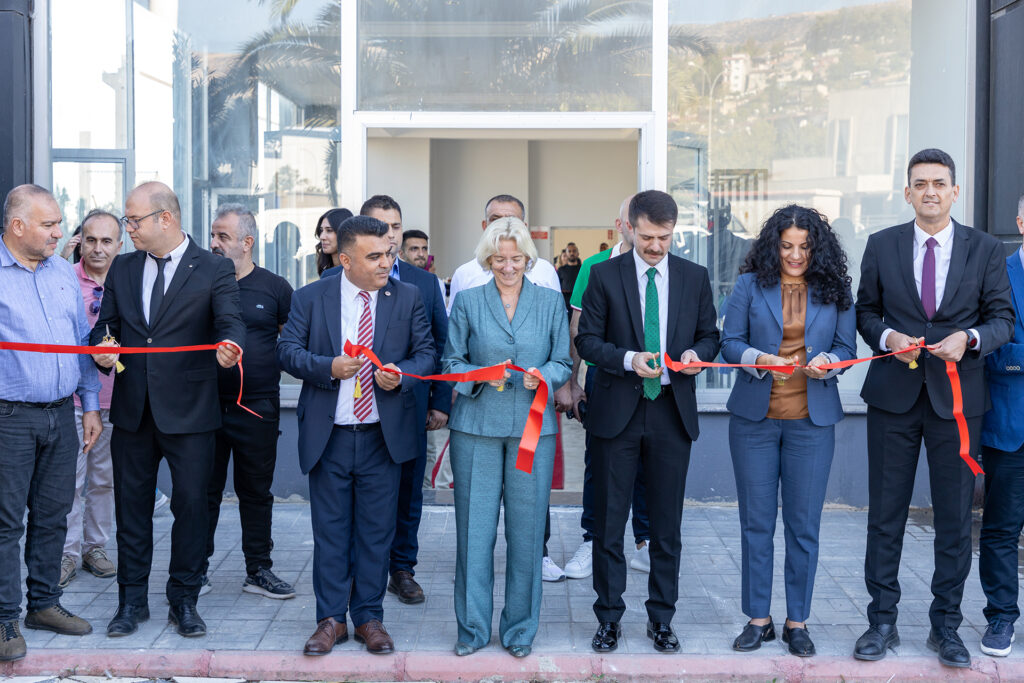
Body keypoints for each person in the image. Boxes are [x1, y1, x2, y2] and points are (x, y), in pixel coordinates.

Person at [854, 149, 1014, 668]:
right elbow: (865, 311)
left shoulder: (986, 249)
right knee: (886, 515)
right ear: (906, 192)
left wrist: (968, 339)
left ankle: (945, 625)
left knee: (953, 519)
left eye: (939, 183)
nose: (929, 191)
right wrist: (887, 334)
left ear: (954, 191)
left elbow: (1001, 320)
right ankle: (881, 622)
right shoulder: (882, 245)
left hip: (958, 403)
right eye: (920, 183)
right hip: (893, 399)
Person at [90, 181, 245, 639]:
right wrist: (101, 348)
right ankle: (131, 601)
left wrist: (231, 346)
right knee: (131, 511)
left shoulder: (214, 268)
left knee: (192, 508)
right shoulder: (122, 267)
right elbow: (105, 328)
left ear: (166, 219)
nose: (128, 228)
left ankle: (184, 599)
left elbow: (230, 322)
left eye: (133, 220)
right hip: (133, 412)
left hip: (192, 411)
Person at [277, 215, 434, 656]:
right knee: (330, 532)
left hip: (383, 437)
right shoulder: (312, 297)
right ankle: (330, 620)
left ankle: (368, 618)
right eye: (375, 256)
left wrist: (401, 375)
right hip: (330, 436)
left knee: (376, 532)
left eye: (389, 253)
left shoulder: (407, 297)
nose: (386, 262)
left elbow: (426, 353)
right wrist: (327, 367)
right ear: (344, 259)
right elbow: (286, 351)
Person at [576, 190, 720, 654]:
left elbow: (709, 335)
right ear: (629, 228)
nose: (656, 246)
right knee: (609, 524)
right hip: (616, 413)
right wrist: (627, 358)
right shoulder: (603, 275)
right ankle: (609, 617)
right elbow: (589, 343)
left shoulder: (695, 277)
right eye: (647, 236)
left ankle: (662, 618)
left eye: (664, 236)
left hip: (671, 415)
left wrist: (700, 355)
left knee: (665, 526)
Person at [720, 205, 857, 657]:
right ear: (772, 245)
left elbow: (845, 347)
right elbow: (729, 343)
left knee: (803, 526)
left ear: (816, 248)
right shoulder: (747, 285)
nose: (794, 255)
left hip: (811, 423)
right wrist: (759, 359)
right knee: (756, 524)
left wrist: (829, 365)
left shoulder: (836, 290)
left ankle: (797, 621)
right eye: (786, 246)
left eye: (803, 246)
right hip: (754, 421)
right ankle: (758, 619)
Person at [442, 216, 571, 658]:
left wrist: (545, 376)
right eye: (500, 259)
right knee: (474, 534)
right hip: (476, 427)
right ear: (488, 259)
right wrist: (479, 376)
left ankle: (520, 631)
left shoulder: (551, 302)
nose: (509, 267)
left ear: (528, 260)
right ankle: (472, 629)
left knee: (527, 533)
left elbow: (563, 362)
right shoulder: (469, 302)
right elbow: (452, 362)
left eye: (517, 259)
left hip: (533, 429)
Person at [325, 195, 450, 605]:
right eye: (381, 227)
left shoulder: (424, 283)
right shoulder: (332, 286)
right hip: (350, 415)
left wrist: (439, 402)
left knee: (406, 495)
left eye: (395, 227)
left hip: (407, 408)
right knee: (360, 505)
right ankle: (355, 576)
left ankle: (402, 568)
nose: (390, 236)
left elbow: (437, 347)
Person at [0, 185, 102, 662]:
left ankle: (44, 604)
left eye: (60, 223)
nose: (61, 234)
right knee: (5, 523)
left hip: (62, 415)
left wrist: (90, 406)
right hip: (9, 417)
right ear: (17, 226)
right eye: (49, 225)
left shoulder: (62, 271)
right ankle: (4, 619)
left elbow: (81, 346)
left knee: (52, 514)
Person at [557, 196, 652, 580]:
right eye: (635, 222)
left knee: (649, 464)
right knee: (600, 465)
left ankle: (645, 543)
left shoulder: (666, 268)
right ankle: (592, 539)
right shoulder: (595, 267)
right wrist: (571, 382)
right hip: (605, 380)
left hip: (652, 380)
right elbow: (578, 328)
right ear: (622, 224)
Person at [204, 204, 295, 599]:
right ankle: (196, 571)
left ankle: (258, 570)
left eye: (222, 236)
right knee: (201, 492)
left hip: (257, 407)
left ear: (247, 242)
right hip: (203, 407)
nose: (214, 243)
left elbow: (291, 340)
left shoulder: (275, 287)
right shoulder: (199, 283)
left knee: (256, 492)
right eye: (212, 235)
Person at [60, 210, 123, 589]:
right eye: (90, 240)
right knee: (69, 482)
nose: (97, 249)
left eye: (106, 241)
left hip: (117, 400)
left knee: (104, 480)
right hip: (73, 402)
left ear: (120, 244)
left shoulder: (129, 281)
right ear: (80, 240)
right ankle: (66, 553)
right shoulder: (63, 281)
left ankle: (95, 547)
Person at [977, 193, 1024, 658]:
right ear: (1020, 220)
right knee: (1001, 529)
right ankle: (1001, 618)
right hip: (1012, 426)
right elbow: (992, 345)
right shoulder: (999, 271)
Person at [446, 194, 561, 315]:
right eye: (495, 220)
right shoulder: (464, 274)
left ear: (524, 227)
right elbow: (455, 325)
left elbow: (556, 320)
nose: (503, 225)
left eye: (511, 220)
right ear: (485, 226)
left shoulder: (545, 270)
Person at [315, 208, 353, 276]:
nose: (322, 237)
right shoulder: (326, 271)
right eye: (321, 230)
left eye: (329, 230)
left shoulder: (354, 272)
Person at [557, 242, 581, 316]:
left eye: (574, 251)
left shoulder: (582, 269)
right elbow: (557, 288)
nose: (572, 253)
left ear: (578, 253)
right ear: (566, 254)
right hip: (565, 305)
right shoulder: (561, 270)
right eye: (569, 251)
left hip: (579, 303)